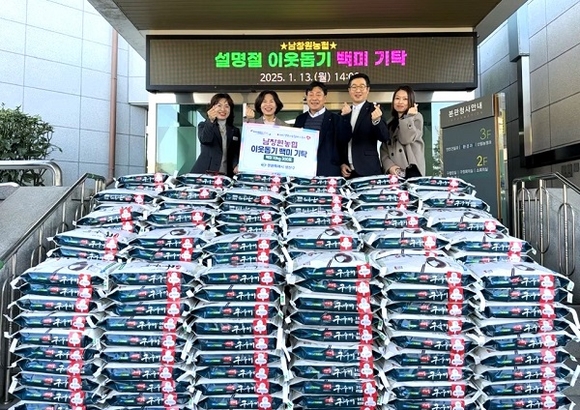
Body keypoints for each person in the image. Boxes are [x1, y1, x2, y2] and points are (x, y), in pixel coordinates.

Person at [339, 73, 390, 178]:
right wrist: (342, 163)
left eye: (362, 87)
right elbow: (339, 142)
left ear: (367, 90)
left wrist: (376, 121)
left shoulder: (374, 110)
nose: (358, 90)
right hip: (347, 171)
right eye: (354, 87)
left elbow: (384, 137)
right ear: (349, 90)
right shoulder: (344, 112)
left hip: (368, 169)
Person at [294, 81, 349, 176]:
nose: (314, 98)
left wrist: (343, 162)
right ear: (306, 97)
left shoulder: (336, 119)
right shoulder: (300, 119)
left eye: (318, 95)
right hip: (304, 171)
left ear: (325, 98)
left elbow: (343, 143)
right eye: (311, 95)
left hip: (329, 171)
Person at [190, 93, 241, 177]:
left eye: (227, 106)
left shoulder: (235, 131)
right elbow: (205, 139)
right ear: (212, 108)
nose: (223, 109)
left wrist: (235, 165)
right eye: (219, 105)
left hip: (226, 175)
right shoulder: (204, 125)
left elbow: (235, 153)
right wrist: (210, 120)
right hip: (204, 174)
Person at [380, 85, 425, 177]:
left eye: (405, 99)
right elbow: (384, 149)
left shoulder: (416, 117)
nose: (400, 102)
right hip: (395, 174)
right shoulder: (390, 123)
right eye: (397, 98)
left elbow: (406, 139)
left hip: (411, 171)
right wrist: (390, 167)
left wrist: (408, 117)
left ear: (411, 101)